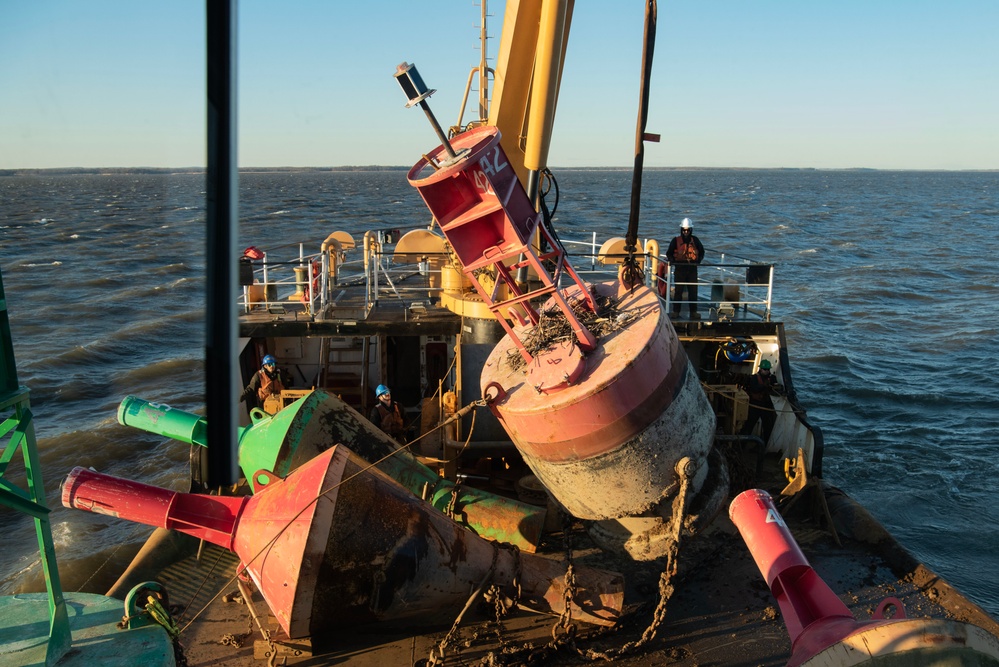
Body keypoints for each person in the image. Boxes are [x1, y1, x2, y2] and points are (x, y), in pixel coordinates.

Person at [665, 217, 705, 319]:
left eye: (688, 230)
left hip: (692, 269)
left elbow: (702, 251)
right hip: (680, 269)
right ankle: (676, 311)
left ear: (691, 230)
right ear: (681, 230)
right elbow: (669, 253)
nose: (686, 232)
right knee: (678, 291)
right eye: (684, 230)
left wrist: (698, 261)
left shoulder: (695, 240)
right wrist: (672, 261)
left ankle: (693, 312)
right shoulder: (675, 240)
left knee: (693, 291)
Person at [740, 359, 783, 445]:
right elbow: (754, 389)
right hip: (755, 405)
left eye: (768, 369)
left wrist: (777, 387)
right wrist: (764, 386)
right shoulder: (754, 378)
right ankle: (741, 445)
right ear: (760, 369)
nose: (767, 371)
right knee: (749, 426)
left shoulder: (772, 378)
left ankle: (763, 447)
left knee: (767, 428)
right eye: (765, 369)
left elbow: (776, 389)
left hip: (766, 406)